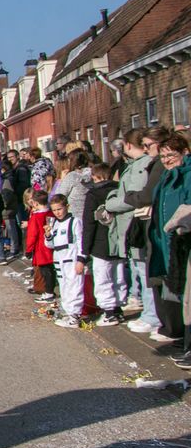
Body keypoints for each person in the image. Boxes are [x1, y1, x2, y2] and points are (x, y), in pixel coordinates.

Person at [106, 129, 162, 337]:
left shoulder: (140, 167)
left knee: (143, 270)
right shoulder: (138, 165)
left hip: (135, 224)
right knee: (139, 269)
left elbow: (135, 196)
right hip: (133, 224)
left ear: (128, 146)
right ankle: (149, 312)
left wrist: (111, 203)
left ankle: (151, 316)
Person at [148, 135, 191, 355]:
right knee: (179, 292)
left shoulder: (188, 175)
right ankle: (184, 338)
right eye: (163, 155)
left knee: (188, 294)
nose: (166, 160)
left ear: (184, 152)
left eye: (171, 155)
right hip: (167, 243)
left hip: (183, 242)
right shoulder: (167, 176)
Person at [81, 163, 128, 326]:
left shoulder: (93, 195)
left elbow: (89, 224)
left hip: (100, 243)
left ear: (95, 176)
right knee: (119, 276)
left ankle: (108, 312)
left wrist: (84, 250)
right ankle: (118, 309)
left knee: (103, 278)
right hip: (119, 240)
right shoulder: (120, 190)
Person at [45, 193, 84, 328]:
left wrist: (81, 260)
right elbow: (50, 245)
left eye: (59, 209)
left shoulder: (75, 221)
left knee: (74, 286)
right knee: (64, 286)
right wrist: (48, 235)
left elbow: (81, 241)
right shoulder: (54, 223)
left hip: (71, 258)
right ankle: (68, 312)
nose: (57, 213)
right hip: (59, 259)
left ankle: (74, 315)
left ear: (67, 207)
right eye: (54, 210)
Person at [26, 190, 57, 303]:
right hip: (52, 244)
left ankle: (48, 293)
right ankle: (50, 291)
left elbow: (32, 234)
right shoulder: (51, 213)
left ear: (35, 203)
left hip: (41, 247)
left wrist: (29, 249)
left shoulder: (36, 217)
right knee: (51, 270)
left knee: (45, 271)